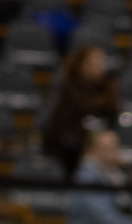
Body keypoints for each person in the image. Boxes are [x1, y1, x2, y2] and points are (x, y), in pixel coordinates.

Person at [42, 46, 119, 177]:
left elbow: (113, 114)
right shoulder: (68, 90)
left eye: (101, 62)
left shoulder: (108, 88)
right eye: (93, 63)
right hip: (68, 153)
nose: (99, 67)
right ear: (81, 65)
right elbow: (58, 129)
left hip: (97, 153)